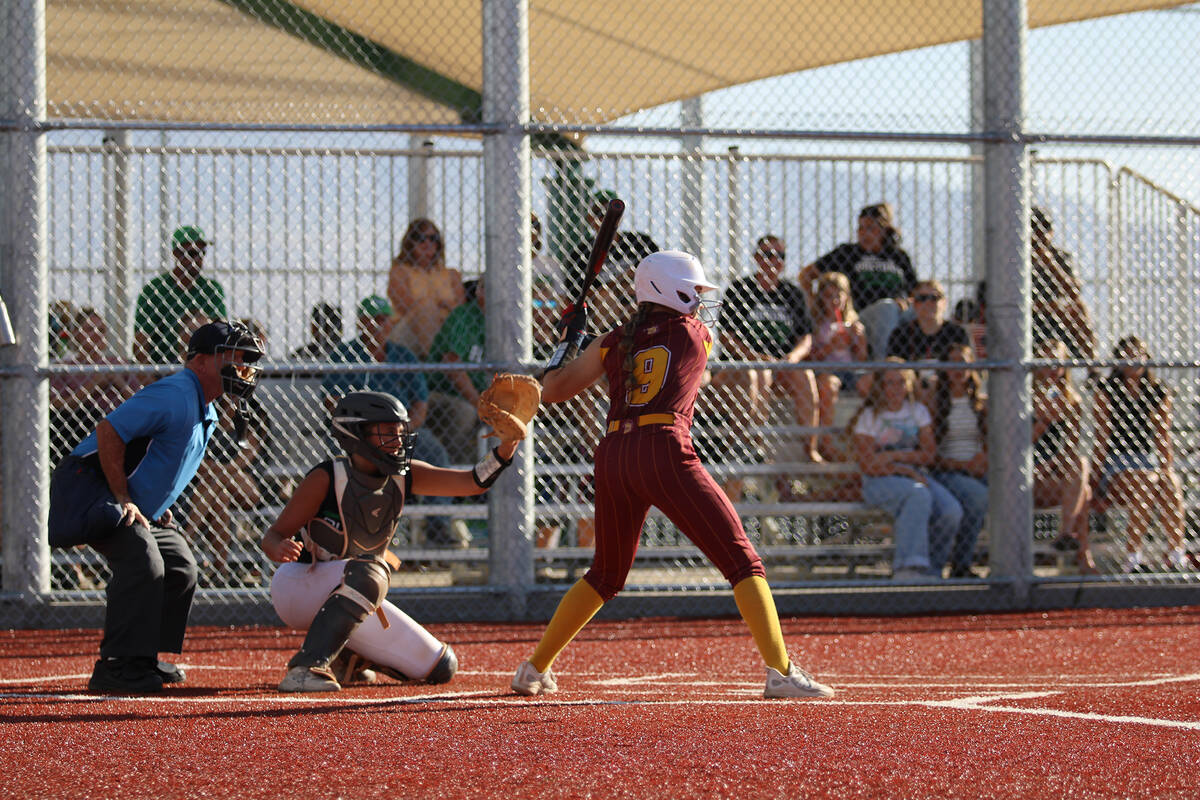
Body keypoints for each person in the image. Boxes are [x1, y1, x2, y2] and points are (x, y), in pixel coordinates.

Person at [510, 251, 834, 700]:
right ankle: (780, 671)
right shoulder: (693, 333)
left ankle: (534, 668)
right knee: (743, 562)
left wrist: (567, 345)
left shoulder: (612, 340)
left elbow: (551, 391)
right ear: (670, 290)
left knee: (605, 575)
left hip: (614, 453)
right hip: (663, 448)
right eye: (694, 291)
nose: (699, 300)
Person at [47, 320, 264, 693]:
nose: (242, 367)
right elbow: (109, 431)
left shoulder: (204, 405)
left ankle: (142, 656)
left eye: (245, 360)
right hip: (90, 485)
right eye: (232, 357)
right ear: (199, 361)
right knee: (142, 559)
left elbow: (162, 460)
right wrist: (124, 498)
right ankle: (116, 665)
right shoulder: (175, 393)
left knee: (180, 565)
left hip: (125, 496)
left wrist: (156, 504)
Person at [262, 391, 519, 692]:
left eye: (400, 430)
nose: (398, 440)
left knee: (439, 666)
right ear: (356, 432)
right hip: (299, 585)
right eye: (387, 431)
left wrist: (506, 448)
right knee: (371, 571)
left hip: (354, 588)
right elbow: (273, 535)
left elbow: (471, 482)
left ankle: (349, 657)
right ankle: (305, 668)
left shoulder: (403, 475)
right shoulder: (327, 477)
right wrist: (278, 547)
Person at [324, 295, 463, 547]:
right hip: (358, 435)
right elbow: (332, 402)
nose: (377, 325)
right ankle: (354, 528)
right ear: (361, 323)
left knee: (435, 454)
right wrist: (364, 432)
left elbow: (420, 404)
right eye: (371, 319)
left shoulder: (403, 356)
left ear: (391, 323)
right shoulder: (345, 355)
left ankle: (437, 526)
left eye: (383, 319)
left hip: (398, 432)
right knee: (346, 458)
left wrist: (401, 430)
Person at [850, 359, 962, 580]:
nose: (896, 388)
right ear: (881, 386)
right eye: (890, 383)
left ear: (909, 384)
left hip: (915, 476)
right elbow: (868, 465)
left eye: (901, 382)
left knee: (951, 510)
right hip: (879, 482)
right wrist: (905, 468)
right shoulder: (869, 416)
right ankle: (908, 568)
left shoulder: (918, 411)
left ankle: (933, 570)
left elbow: (928, 455)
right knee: (918, 495)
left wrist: (891, 456)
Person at [716, 235, 821, 462]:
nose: (773, 260)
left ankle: (811, 449)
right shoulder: (740, 290)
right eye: (767, 254)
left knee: (805, 375)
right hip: (744, 367)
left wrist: (792, 358)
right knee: (760, 372)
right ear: (756, 257)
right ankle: (757, 445)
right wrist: (755, 357)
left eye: (779, 256)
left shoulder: (792, 293)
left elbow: (806, 338)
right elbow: (726, 336)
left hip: (781, 365)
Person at [1091, 336, 1187, 572]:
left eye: (1138, 355)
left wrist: (1166, 469)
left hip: (1148, 461)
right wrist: (1095, 478)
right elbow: (1102, 435)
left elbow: (1162, 436)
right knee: (1145, 482)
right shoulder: (1107, 390)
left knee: (1171, 482)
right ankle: (1132, 557)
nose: (1133, 360)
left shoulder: (1157, 391)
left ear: (1147, 359)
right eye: (1127, 355)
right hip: (1117, 462)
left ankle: (1176, 553)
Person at [800, 203, 917, 360]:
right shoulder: (848, 253)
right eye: (860, 228)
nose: (864, 233)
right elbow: (806, 275)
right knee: (886, 309)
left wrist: (904, 301)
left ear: (883, 230)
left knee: (922, 309)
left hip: (897, 313)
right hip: (861, 316)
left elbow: (914, 291)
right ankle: (881, 365)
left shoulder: (898, 256)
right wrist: (815, 303)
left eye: (870, 228)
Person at [1032, 340, 1096, 574]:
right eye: (1046, 361)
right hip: (1027, 473)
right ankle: (1081, 552)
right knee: (1084, 492)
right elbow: (1016, 444)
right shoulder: (1022, 395)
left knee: (1081, 468)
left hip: (1054, 471)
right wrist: (1044, 420)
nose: (1052, 367)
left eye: (1057, 361)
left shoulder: (1072, 400)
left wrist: (1054, 463)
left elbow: (1071, 446)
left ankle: (1067, 534)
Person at [49, 306, 141, 465]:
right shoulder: (65, 367)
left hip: (117, 424)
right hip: (79, 428)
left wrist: (117, 381)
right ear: (76, 334)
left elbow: (140, 402)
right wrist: (95, 383)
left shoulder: (119, 364)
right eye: (90, 329)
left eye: (101, 330)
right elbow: (59, 406)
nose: (96, 334)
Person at [927, 344, 988, 578]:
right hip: (947, 470)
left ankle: (1004, 563)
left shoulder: (981, 402)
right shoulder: (935, 402)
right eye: (951, 363)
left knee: (1001, 491)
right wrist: (963, 465)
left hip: (977, 469)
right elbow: (932, 456)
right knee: (977, 496)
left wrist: (983, 459)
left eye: (962, 362)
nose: (957, 369)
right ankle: (960, 563)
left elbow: (989, 441)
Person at [134, 226, 228, 364]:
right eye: (191, 253)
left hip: (203, 364)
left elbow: (222, 332)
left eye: (201, 252)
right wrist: (148, 374)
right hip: (162, 364)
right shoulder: (154, 289)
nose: (197, 259)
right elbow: (141, 339)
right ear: (176, 254)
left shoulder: (211, 289)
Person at [807, 271, 869, 459]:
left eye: (838, 296)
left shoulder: (853, 322)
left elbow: (862, 358)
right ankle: (826, 442)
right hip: (826, 371)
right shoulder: (816, 324)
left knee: (872, 384)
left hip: (850, 372)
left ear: (846, 297)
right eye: (828, 296)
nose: (834, 301)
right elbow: (811, 357)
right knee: (829, 385)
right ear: (820, 298)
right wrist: (831, 346)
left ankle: (858, 434)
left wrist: (860, 341)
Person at [427, 279, 488, 466]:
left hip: (483, 397)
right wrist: (478, 403)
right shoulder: (464, 316)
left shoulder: (506, 322)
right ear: (479, 292)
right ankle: (454, 473)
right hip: (443, 392)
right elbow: (451, 362)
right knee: (465, 412)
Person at [386, 218, 465, 357]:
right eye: (420, 238)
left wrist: (437, 306)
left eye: (432, 238)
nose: (427, 243)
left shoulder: (452, 274)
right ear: (410, 242)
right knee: (426, 308)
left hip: (447, 328)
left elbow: (461, 310)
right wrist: (442, 304)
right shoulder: (400, 272)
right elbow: (406, 306)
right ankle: (434, 362)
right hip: (409, 332)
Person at [884, 279, 970, 401]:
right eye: (922, 298)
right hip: (911, 393)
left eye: (934, 298)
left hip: (948, 392)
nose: (928, 303)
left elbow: (968, 369)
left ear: (944, 302)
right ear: (914, 304)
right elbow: (893, 371)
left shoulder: (957, 333)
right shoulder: (900, 334)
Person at [1031, 207, 1096, 361]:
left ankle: (1091, 365)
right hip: (1030, 315)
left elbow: (1074, 292)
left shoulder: (1059, 257)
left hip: (1055, 316)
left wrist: (1049, 262)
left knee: (1079, 307)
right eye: (1036, 230)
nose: (1041, 235)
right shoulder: (1015, 258)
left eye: (1045, 229)